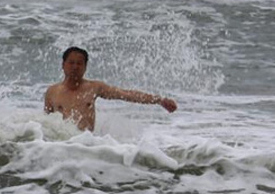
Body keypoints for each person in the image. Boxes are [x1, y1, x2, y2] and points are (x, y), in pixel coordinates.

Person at [44, 46, 177, 131]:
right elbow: (45, 125)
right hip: (63, 147)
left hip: (86, 146)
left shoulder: (93, 87)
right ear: (63, 65)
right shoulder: (52, 92)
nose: (75, 67)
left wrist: (159, 100)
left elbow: (126, 94)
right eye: (71, 63)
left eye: (79, 63)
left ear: (85, 67)